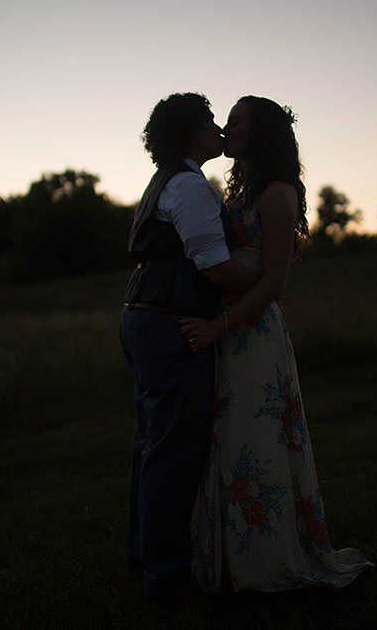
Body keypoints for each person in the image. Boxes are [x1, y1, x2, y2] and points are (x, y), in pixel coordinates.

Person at [180, 95, 374, 591]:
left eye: (236, 119)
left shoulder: (277, 193)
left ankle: (264, 559)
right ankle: (226, 555)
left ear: (259, 131)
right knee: (224, 443)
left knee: (254, 441)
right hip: (223, 326)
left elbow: (273, 284)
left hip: (250, 335)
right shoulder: (239, 191)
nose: (226, 126)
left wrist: (218, 326)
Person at [120, 92, 259, 603]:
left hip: (143, 318)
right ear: (191, 132)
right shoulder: (190, 186)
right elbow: (213, 266)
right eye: (210, 121)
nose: (220, 127)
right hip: (169, 325)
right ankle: (168, 576)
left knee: (152, 444)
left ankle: (146, 556)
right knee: (173, 452)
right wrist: (265, 283)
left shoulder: (166, 182)